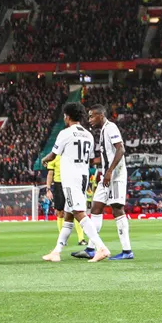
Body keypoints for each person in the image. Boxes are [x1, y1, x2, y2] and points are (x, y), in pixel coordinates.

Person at [42, 102, 111, 262]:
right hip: (82, 177)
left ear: (67, 116)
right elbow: (89, 158)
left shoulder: (65, 133)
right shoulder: (88, 135)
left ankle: (101, 248)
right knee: (68, 215)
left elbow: (52, 155)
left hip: (70, 178)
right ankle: (57, 251)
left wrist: (44, 160)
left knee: (79, 213)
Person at [73, 105, 133, 260]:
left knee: (117, 209)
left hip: (115, 175)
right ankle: (91, 249)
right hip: (106, 175)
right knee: (96, 207)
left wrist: (110, 171)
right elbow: (108, 154)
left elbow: (121, 149)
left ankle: (127, 251)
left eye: (92, 116)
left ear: (101, 115)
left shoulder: (111, 128)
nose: (90, 120)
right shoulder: (103, 131)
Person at [42, 149, 85, 249]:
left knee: (76, 211)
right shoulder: (54, 157)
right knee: (60, 212)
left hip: (71, 184)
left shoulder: (72, 156)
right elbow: (50, 174)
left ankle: (81, 239)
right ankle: (63, 239)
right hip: (59, 186)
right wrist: (48, 189)